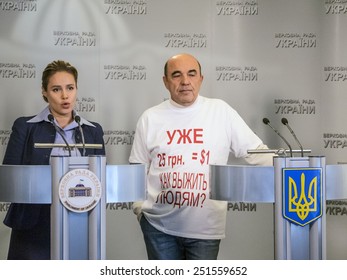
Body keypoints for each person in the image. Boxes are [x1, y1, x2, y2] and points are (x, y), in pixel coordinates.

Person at [129, 53, 273, 260]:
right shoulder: (150, 118)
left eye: (191, 74)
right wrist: (140, 210)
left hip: (205, 228)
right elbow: (137, 167)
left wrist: (289, 167)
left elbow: (255, 151)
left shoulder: (220, 111)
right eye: (176, 75)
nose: (185, 81)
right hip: (158, 227)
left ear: (201, 79)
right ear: (165, 82)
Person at [2, 60, 106, 259]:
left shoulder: (93, 131)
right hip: (33, 222)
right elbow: (10, 176)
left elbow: (100, 179)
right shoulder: (25, 126)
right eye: (56, 89)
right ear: (44, 92)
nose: (65, 96)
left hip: (80, 220)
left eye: (70, 88)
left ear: (76, 89)